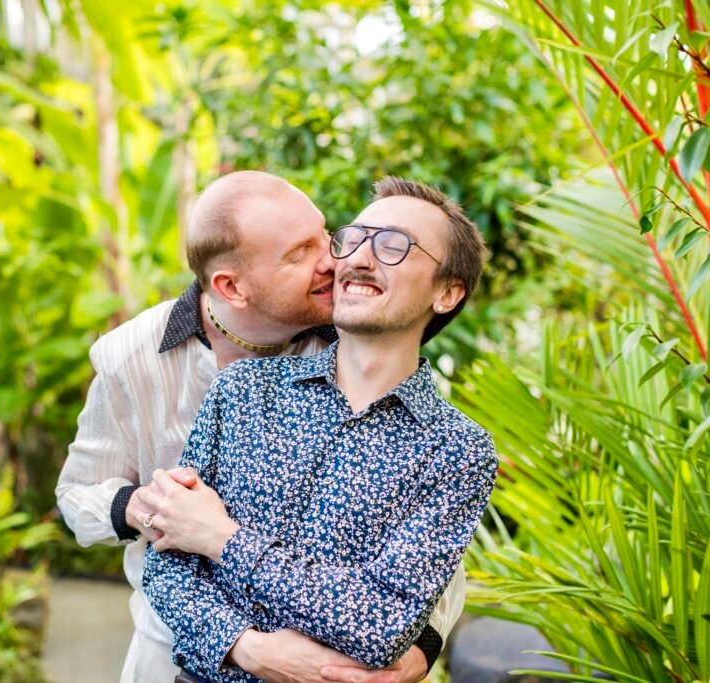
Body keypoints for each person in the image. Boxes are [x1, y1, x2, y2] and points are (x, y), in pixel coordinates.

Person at [55, 172, 464, 683]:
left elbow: (426, 551)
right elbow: (77, 494)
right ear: (232, 286)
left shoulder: (357, 346)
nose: (335, 260)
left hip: (336, 664)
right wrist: (146, 508)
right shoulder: (132, 356)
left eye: (324, 235)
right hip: (175, 649)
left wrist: (419, 650)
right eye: (299, 253)